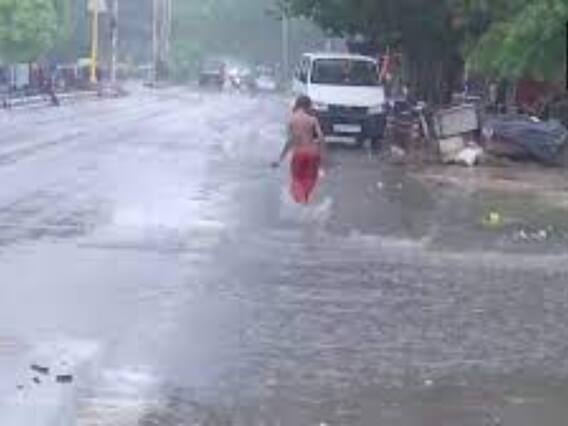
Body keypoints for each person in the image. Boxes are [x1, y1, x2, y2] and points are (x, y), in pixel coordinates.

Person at [273, 95, 326, 204]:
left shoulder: (292, 120)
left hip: (299, 154)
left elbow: (290, 141)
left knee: (297, 180)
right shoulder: (312, 120)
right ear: (308, 106)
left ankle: (299, 203)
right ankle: (306, 201)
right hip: (313, 154)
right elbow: (321, 138)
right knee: (310, 180)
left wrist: (280, 159)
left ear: (297, 104)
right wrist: (322, 160)